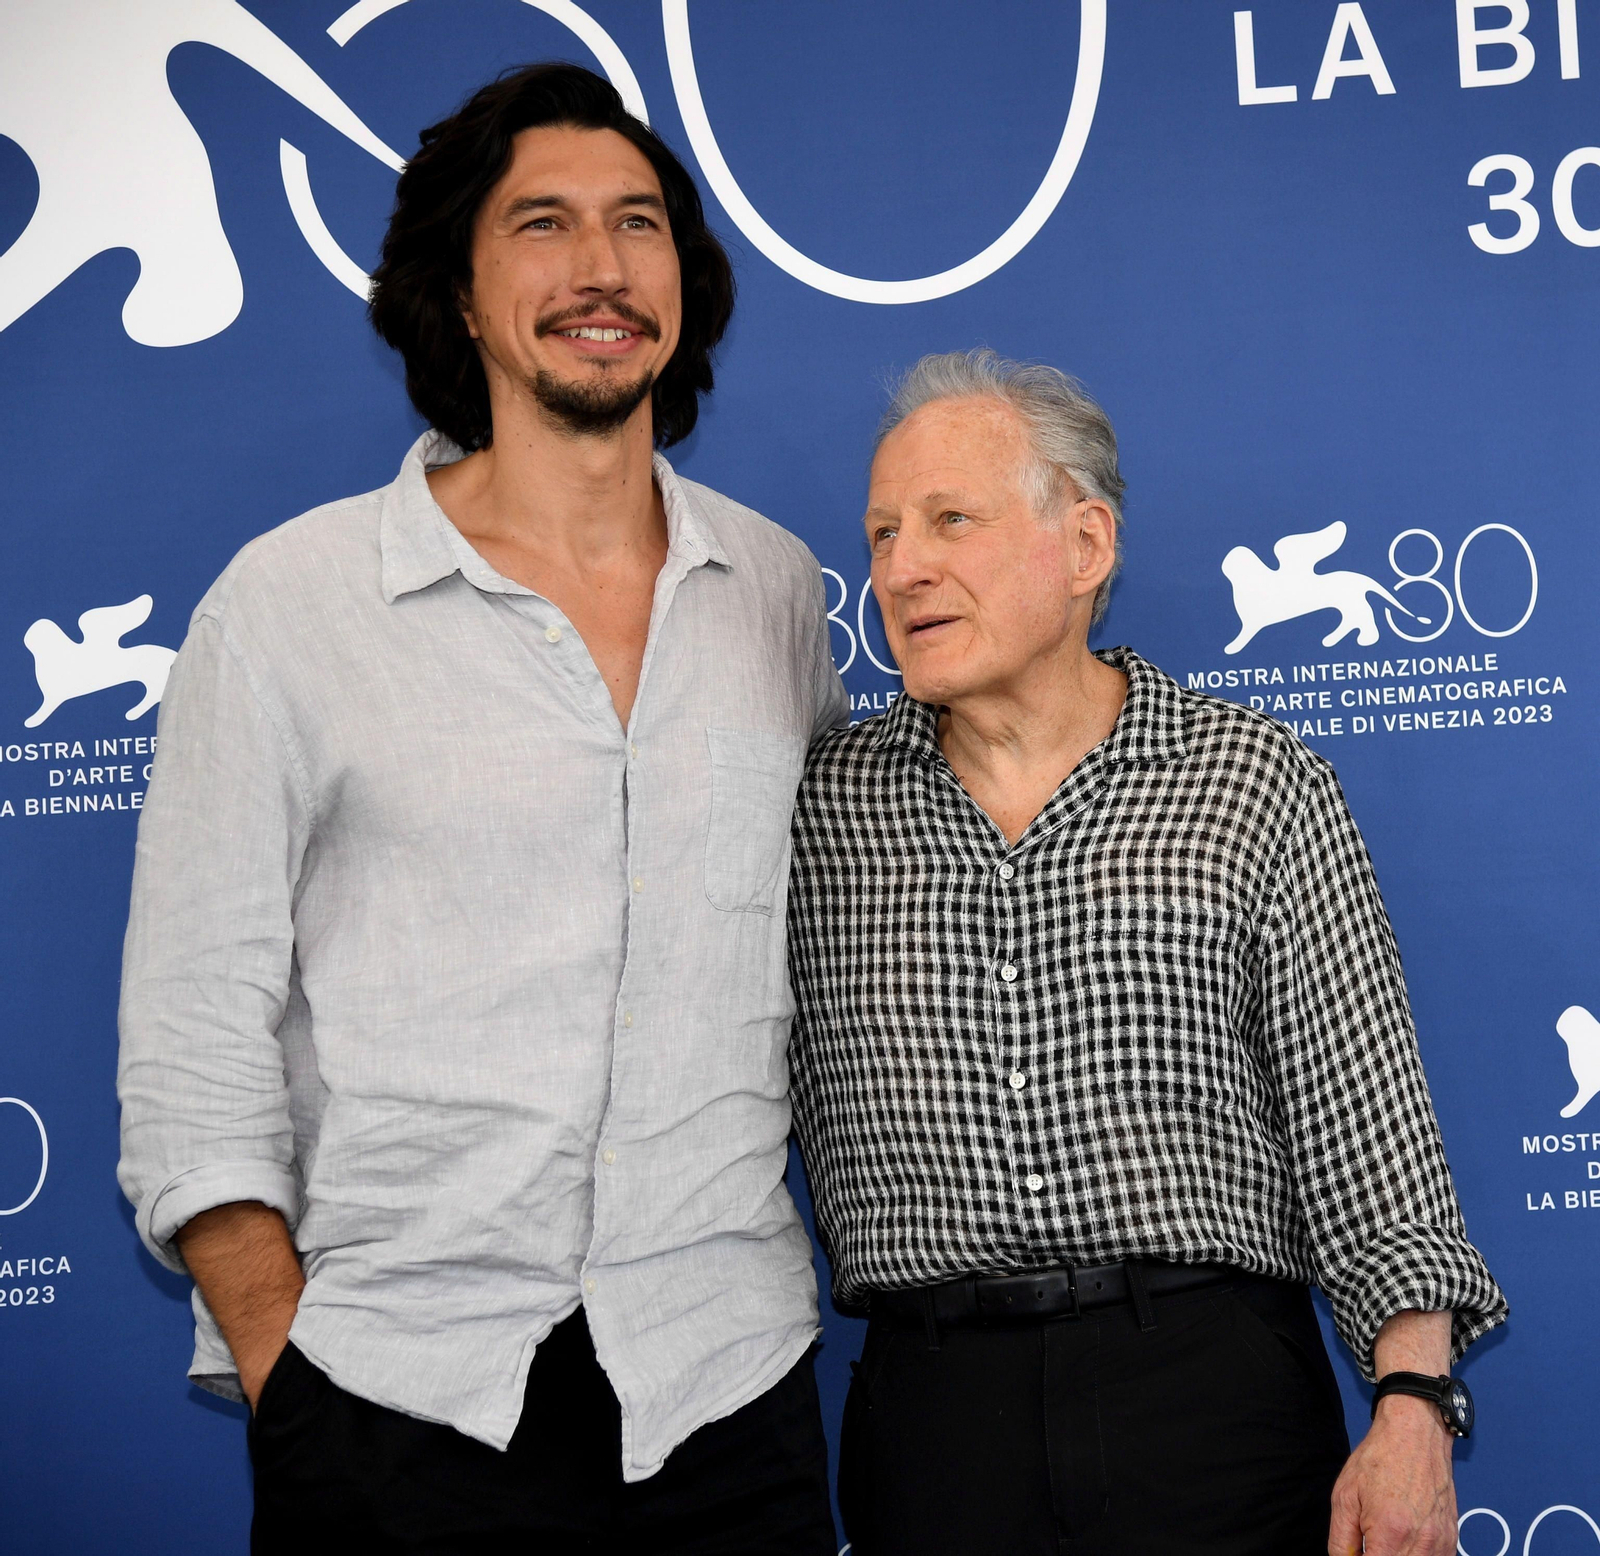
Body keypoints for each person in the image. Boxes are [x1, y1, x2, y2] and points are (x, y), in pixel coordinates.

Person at [118, 62, 845, 1553]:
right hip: (394, 1409)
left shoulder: (774, 591)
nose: (601, 267)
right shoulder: (290, 605)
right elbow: (191, 1028)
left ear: (682, 283)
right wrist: (285, 1366)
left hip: (728, 1398)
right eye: (542, 224)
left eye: (637, 223)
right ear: (457, 293)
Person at [786, 349, 1506, 1556]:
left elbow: (1369, 1134)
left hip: (1211, 1400)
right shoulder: (816, 811)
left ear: (1085, 545)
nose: (901, 569)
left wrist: (1412, 1407)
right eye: (881, 534)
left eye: (950, 520)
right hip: (934, 1426)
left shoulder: (1253, 784)